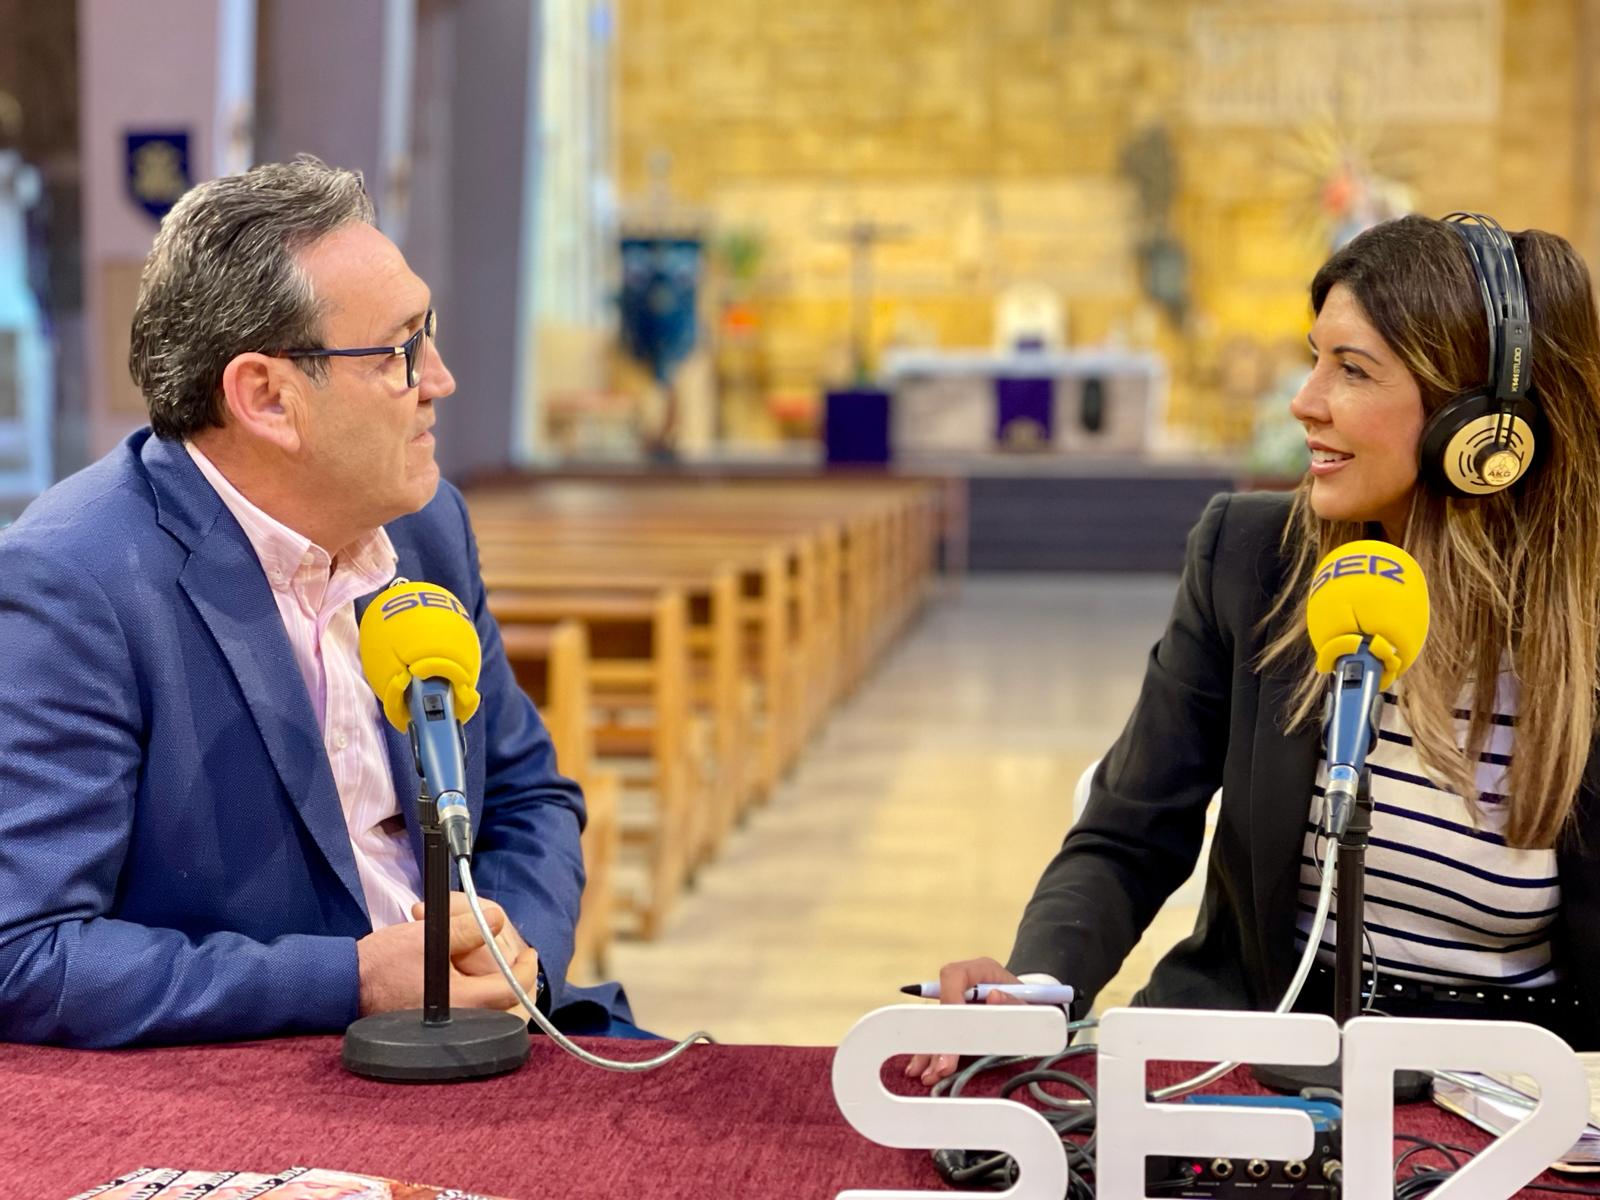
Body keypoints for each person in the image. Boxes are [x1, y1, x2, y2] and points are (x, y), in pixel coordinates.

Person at [910, 213, 1600, 1085]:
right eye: (1313, 358)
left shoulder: (1588, 631)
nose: (1304, 401)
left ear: (1483, 429)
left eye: (1351, 371)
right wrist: (1037, 983)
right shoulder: (1253, 558)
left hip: (1519, 1090)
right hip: (1254, 1054)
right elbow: (1131, 833)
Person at [0, 158, 631, 1046]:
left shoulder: (426, 527)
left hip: (502, 1036)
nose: (441, 379)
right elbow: (25, 954)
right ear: (266, 398)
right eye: (403, 349)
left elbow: (530, 793)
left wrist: (513, 942)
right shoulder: (77, 581)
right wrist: (348, 980)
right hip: (264, 1085)